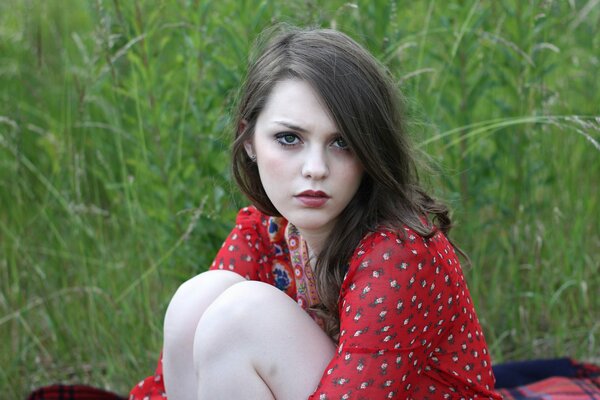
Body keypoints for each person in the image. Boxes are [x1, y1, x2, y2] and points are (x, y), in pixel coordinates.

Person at [130, 26, 501, 400]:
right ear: (249, 141)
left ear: (369, 151)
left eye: (341, 143)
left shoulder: (398, 252)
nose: (315, 168)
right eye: (289, 138)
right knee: (197, 300)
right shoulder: (265, 231)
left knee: (240, 320)